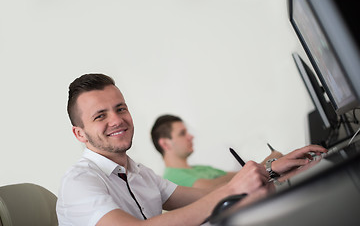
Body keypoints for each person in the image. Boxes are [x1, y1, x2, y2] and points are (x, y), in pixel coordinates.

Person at [56, 73, 327, 226]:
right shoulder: (79, 181)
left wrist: (271, 170)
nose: (116, 120)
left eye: (120, 108)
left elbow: (205, 197)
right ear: (79, 133)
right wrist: (235, 189)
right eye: (100, 116)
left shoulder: (139, 173)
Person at [151, 114, 322, 190]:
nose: (190, 137)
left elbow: (241, 176)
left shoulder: (197, 169)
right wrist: (269, 162)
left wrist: (271, 163)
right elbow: (215, 188)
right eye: (182, 134)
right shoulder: (172, 178)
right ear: (165, 144)